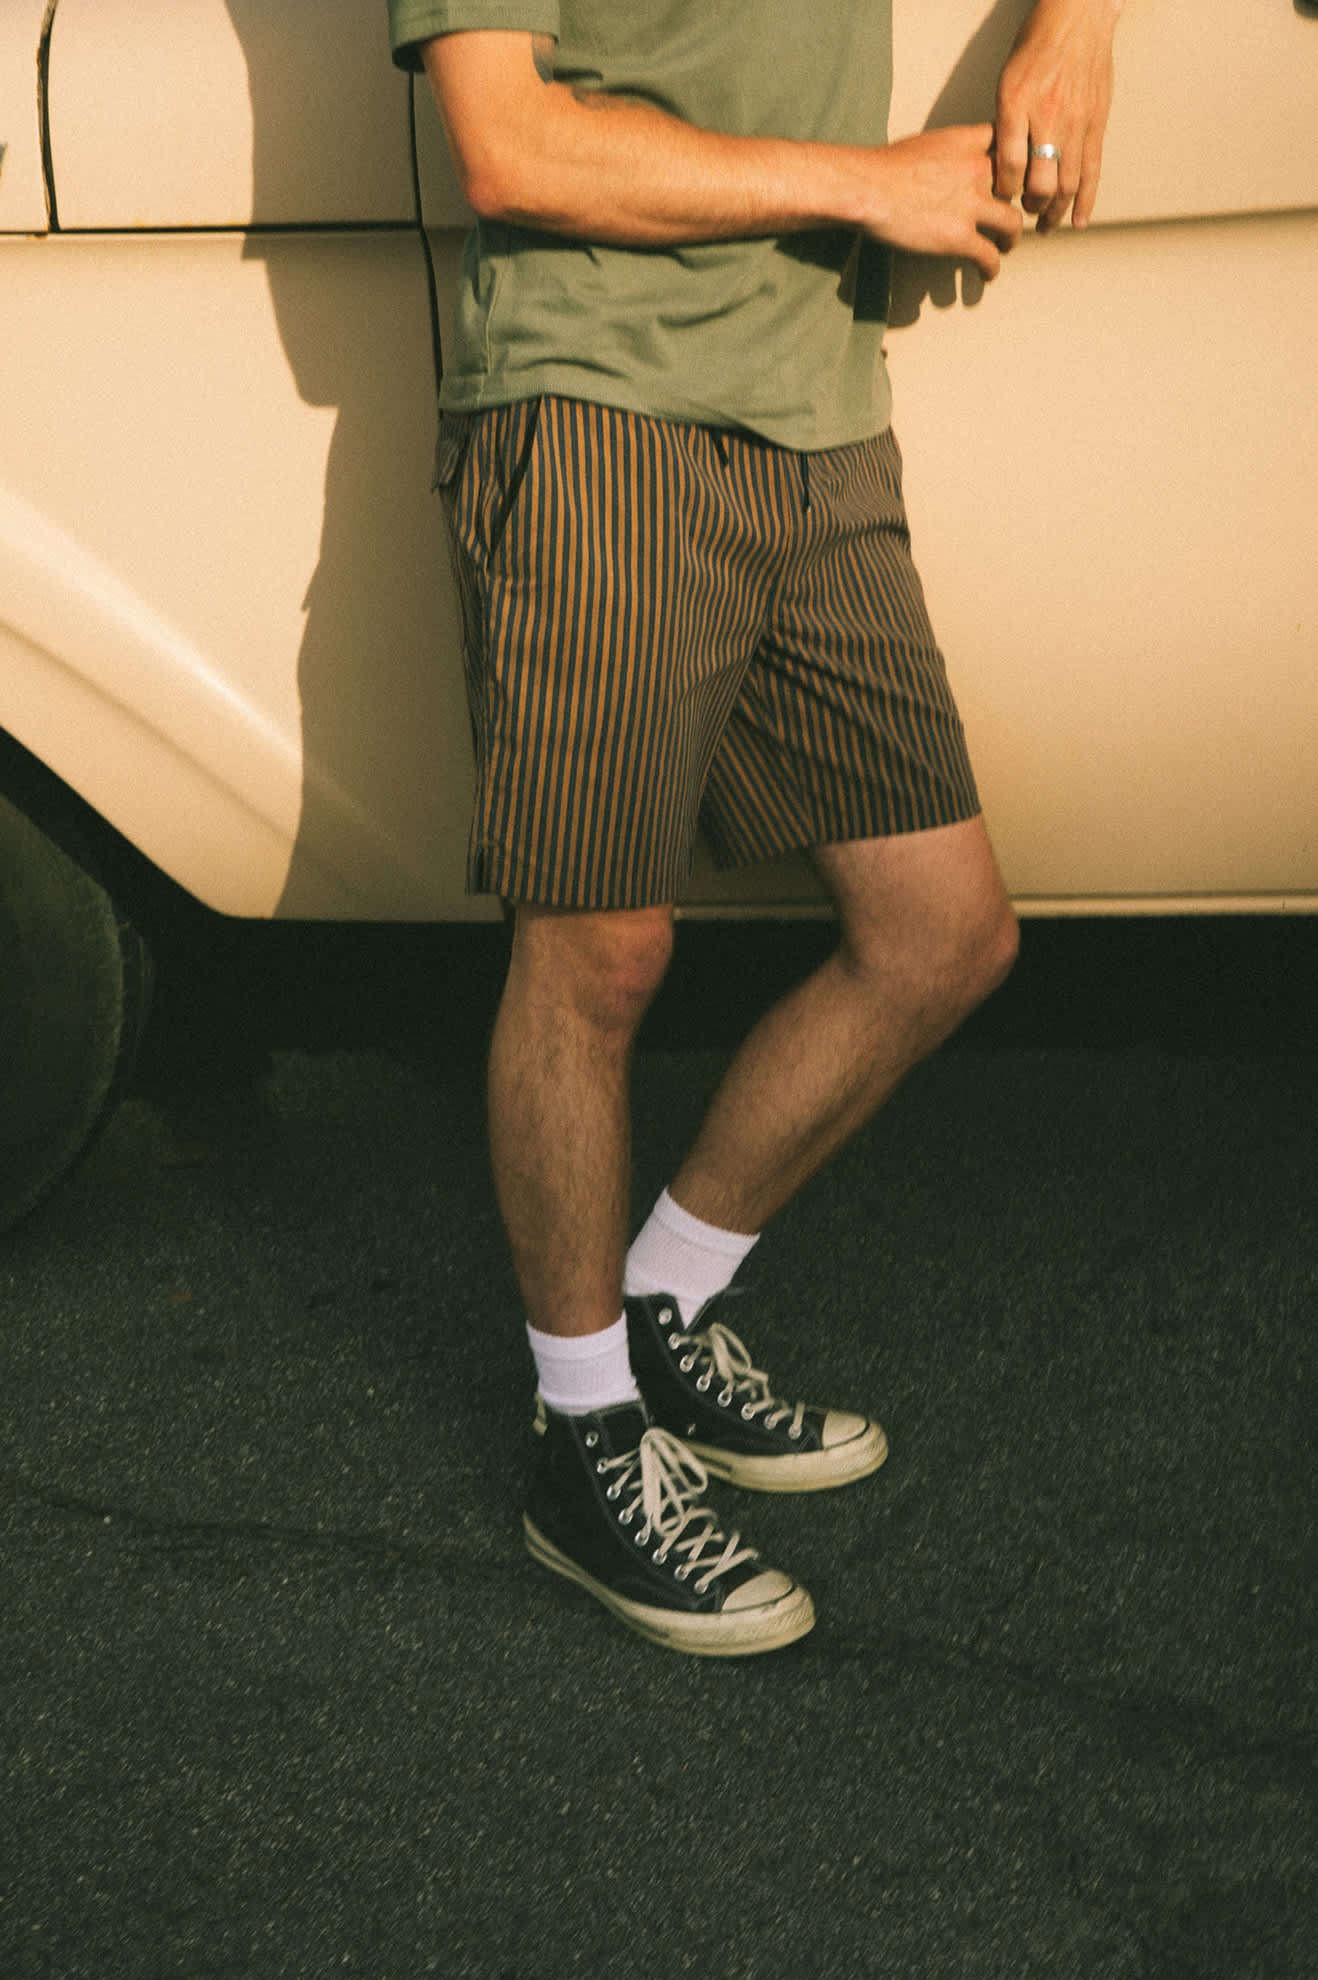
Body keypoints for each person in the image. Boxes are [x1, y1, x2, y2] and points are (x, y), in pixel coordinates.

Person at [387, 0, 1124, 1655]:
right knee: (596, 951)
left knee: (940, 934)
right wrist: (867, 182)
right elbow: (513, 147)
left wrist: (1077, 25)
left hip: (819, 418)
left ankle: (661, 1308)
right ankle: (582, 1435)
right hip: (600, 409)